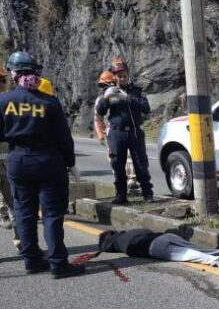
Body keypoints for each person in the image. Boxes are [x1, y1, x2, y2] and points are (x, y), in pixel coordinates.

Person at [0, 51, 85, 278]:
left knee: (24, 212)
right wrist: (71, 162)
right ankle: (58, 263)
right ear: (35, 73)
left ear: (13, 73)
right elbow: (64, 139)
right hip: (49, 162)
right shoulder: (49, 101)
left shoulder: (3, 101)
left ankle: (32, 261)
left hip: (18, 161)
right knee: (52, 214)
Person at [97, 228, 219, 296]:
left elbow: (106, 246)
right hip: (165, 236)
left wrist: (102, 248)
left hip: (154, 247)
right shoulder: (131, 231)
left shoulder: (114, 242)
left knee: (193, 256)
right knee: (201, 249)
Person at [95, 57, 153, 204]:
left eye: (124, 75)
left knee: (140, 164)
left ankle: (148, 194)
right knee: (117, 164)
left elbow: (146, 108)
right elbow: (100, 112)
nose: (122, 78)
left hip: (134, 132)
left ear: (128, 75)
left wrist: (128, 98)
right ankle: (121, 195)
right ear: (114, 77)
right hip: (116, 132)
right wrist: (106, 98)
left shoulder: (136, 91)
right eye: (119, 76)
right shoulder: (110, 91)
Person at [0, 66, 21, 249]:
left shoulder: (9, 102)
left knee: (14, 203)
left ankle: (22, 241)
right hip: (8, 162)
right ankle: (22, 242)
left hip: (8, 161)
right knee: (14, 203)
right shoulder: (9, 102)